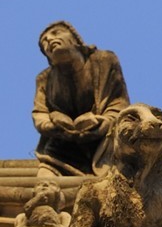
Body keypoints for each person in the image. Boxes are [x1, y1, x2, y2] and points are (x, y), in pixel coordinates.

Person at [31, 21, 128, 177]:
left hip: (104, 141)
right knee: (46, 181)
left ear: (75, 39)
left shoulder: (104, 61)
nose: (49, 40)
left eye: (56, 33)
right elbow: (40, 112)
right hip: (62, 146)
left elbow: (118, 102)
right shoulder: (44, 79)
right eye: (44, 43)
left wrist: (106, 122)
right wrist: (52, 125)